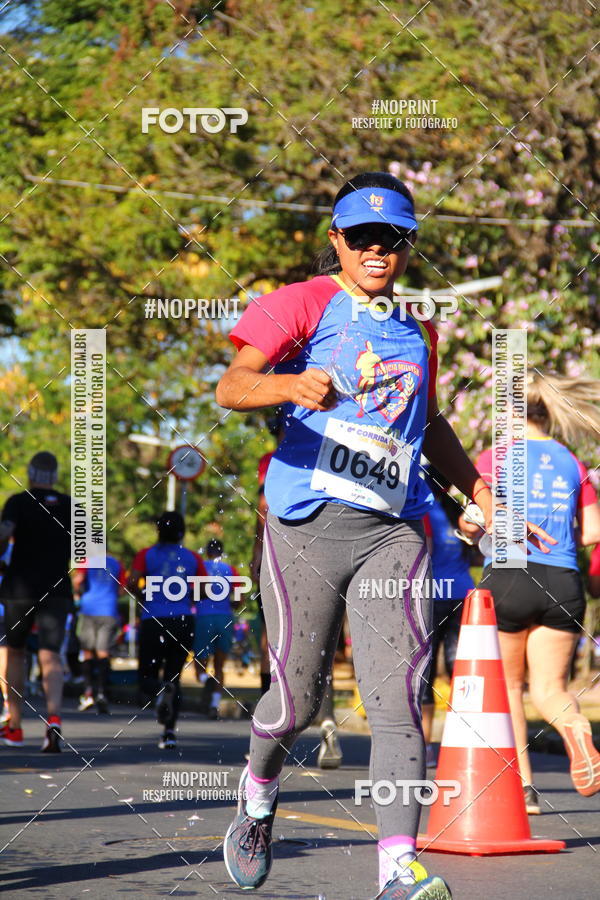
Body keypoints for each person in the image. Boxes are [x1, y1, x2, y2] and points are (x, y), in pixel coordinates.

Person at [216, 171, 551, 899]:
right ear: (336, 240)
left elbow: (428, 427)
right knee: (295, 705)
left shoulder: (417, 329)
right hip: (301, 525)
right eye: (362, 237)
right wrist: (286, 385)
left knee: (400, 699)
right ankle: (257, 797)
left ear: (408, 247)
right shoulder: (301, 303)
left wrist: (485, 493)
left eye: (392, 238)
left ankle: (398, 869)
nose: (377, 249)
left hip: (390, 533)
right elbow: (232, 384)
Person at [463, 371, 600, 814]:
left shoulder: (492, 458)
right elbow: (593, 531)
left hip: (508, 578)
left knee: (509, 689)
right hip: (563, 581)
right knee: (550, 689)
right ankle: (576, 727)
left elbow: (472, 520)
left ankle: (524, 789)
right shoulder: (571, 461)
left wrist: (470, 527)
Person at [252, 410, 343, 768]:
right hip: (336, 546)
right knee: (327, 642)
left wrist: (257, 554)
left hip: (288, 548)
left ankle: (268, 731)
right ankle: (328, 720)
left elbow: (264, 508)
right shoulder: (330, 445)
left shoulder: (274, 459)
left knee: (273, 645)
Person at [0, 452, 72, 752]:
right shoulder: (70, 505)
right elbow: (91, 549)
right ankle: (53, 720)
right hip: (57, 589)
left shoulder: (17, 502)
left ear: (30, 473)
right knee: (50, 655)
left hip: (19, 588)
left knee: (14, 653)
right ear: (54, 476)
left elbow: (4, 535)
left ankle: (14, 726)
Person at [128, 511, 206, 750]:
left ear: (158, 530)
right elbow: (203, 591)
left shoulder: (146, 555)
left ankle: (161, 691)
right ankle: (169, 733)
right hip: (183, 620)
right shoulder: (193, 558)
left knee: (145, 678)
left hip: (154, 620)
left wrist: (143, 596)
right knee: (174, 676)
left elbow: (131, 582)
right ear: (182, 532)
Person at [421, 465, 475, 767]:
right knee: (461, 673)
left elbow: (423, 553)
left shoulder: (422, 510)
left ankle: (426, 749)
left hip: (432, 596)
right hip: (464, 595)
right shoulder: (459, 513)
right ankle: (463, 745)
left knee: (425, 675)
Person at [194, 538, 241, 719]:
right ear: (222, 553)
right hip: (225, 618)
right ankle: (214, 704)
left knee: (200, 663)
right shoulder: (231, 570)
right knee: (220, 665)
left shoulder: (200, 568)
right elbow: (238, 600)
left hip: (204, 618)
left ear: (207, 552)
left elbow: (193, 592)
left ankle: (205, 680)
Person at [73, 554, 126, 714]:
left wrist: (78, 593)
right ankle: (103, 693)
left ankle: (88, 692)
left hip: (89, 609)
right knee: (103, 652)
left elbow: (77, 581)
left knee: (87, 651)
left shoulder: (87, 561)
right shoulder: (117, 563)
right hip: (109, 610)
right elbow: (122, 589)